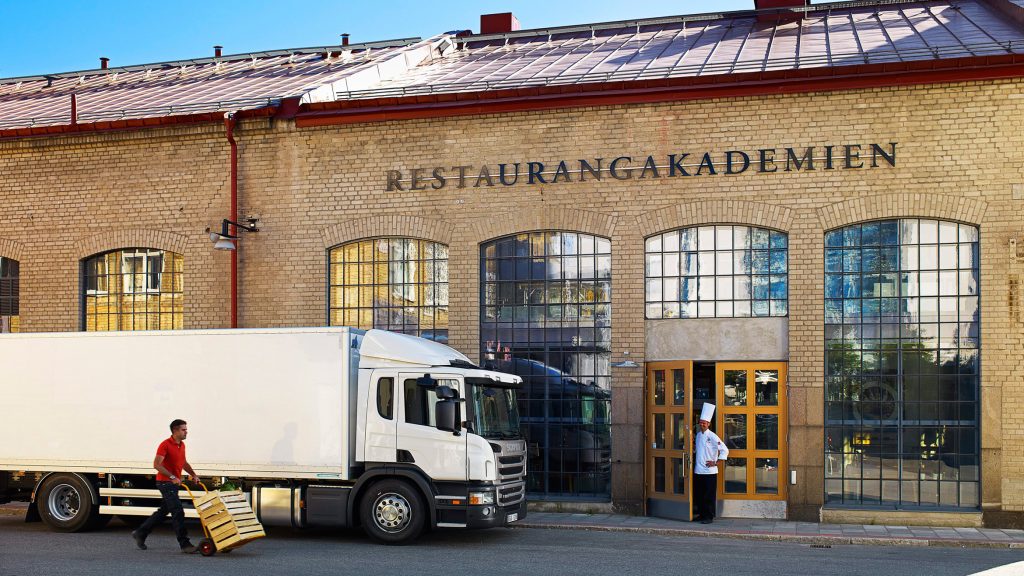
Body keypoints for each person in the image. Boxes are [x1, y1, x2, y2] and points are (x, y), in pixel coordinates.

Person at [131, 419, 200, 553]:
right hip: (165, 482)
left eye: (186, 429)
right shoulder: (165, 444)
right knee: (177, 510)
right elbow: (157, 464)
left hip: (173, 484)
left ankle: (140, 533)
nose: (186, 432)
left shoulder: (182, 445)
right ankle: (185, 545)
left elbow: (183, 462)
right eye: (183, 429)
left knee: (163, 511)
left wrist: (193, 475)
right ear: (175, 431)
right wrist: (172, 477)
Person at [693, 402, 728, 525]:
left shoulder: (713, 436)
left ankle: (709, 517)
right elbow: (698, 449)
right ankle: (701, 515)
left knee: (708, 496)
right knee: (699, 494)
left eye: (704, 423)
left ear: (708, 424)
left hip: (709, 471)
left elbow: (724, 449)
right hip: (698, 470)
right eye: (701, 422)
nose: (702, 424)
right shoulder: (698, 435)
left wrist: (716, 462)